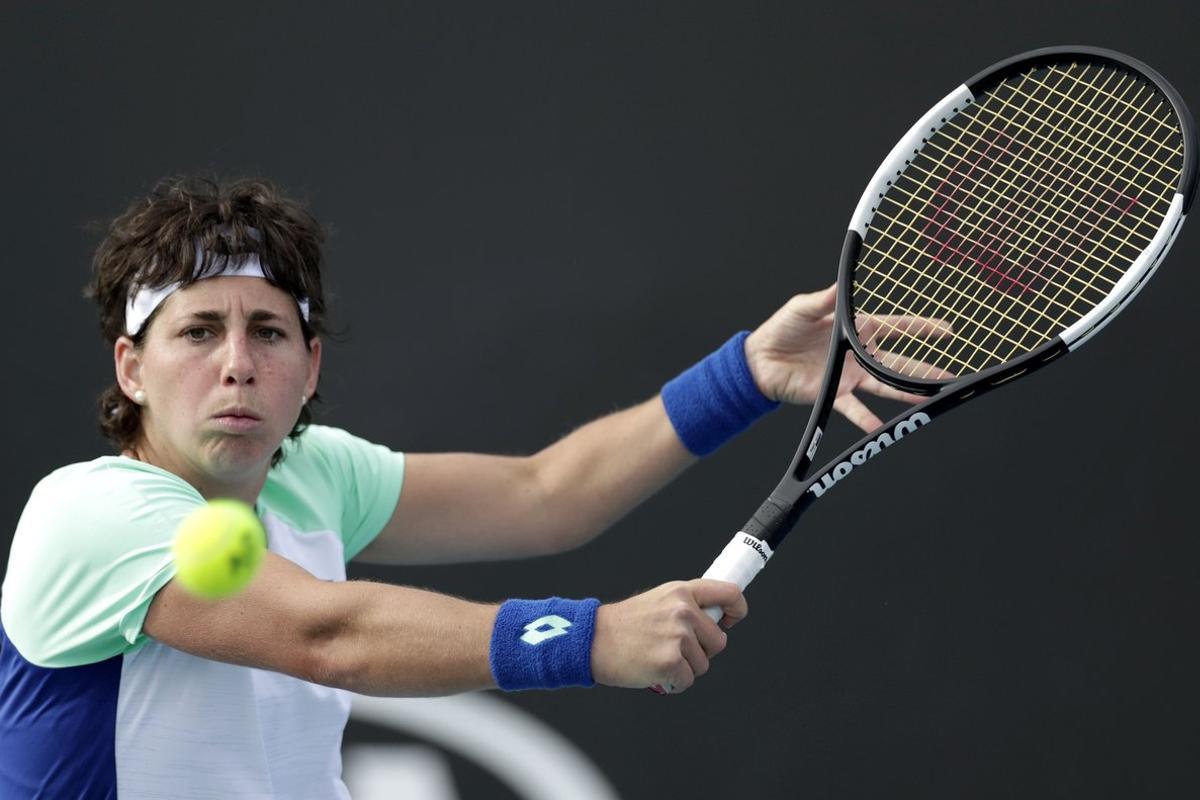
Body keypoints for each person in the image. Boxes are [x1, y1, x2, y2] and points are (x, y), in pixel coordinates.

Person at [0, 176, 930, 798]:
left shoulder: (311, 477)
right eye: (198, 331)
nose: (237, 363)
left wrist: (746, 376)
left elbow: (544, 494)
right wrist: (590, 636)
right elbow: (332, 635)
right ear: (132, 368)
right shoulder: (90, 514)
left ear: (310, 363)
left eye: (269, 333)